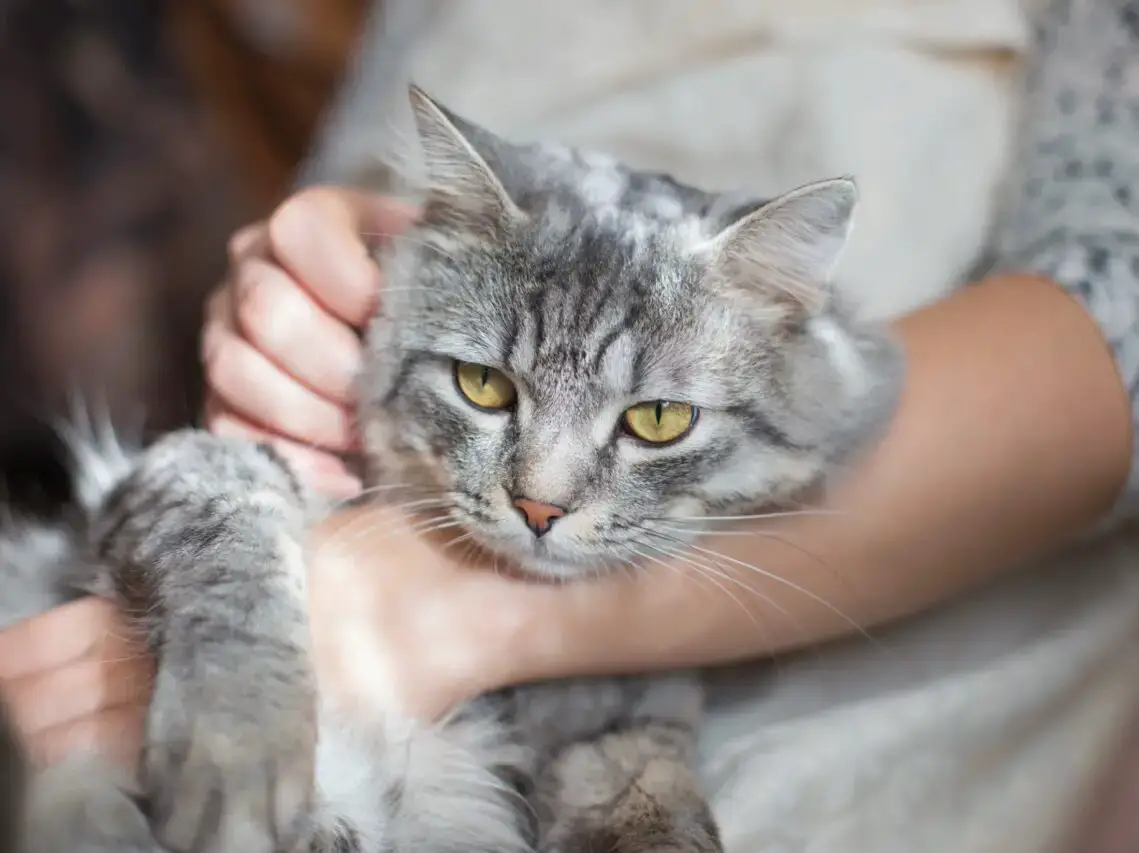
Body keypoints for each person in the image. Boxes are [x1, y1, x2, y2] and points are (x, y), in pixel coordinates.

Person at [2, 0, 1138, 848]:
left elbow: (1117, 315)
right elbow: (406, 161)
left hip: (843, 676)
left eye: (644, 419)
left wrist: (391, 610)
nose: (540, 497)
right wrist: (319, 271)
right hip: (365, 445)